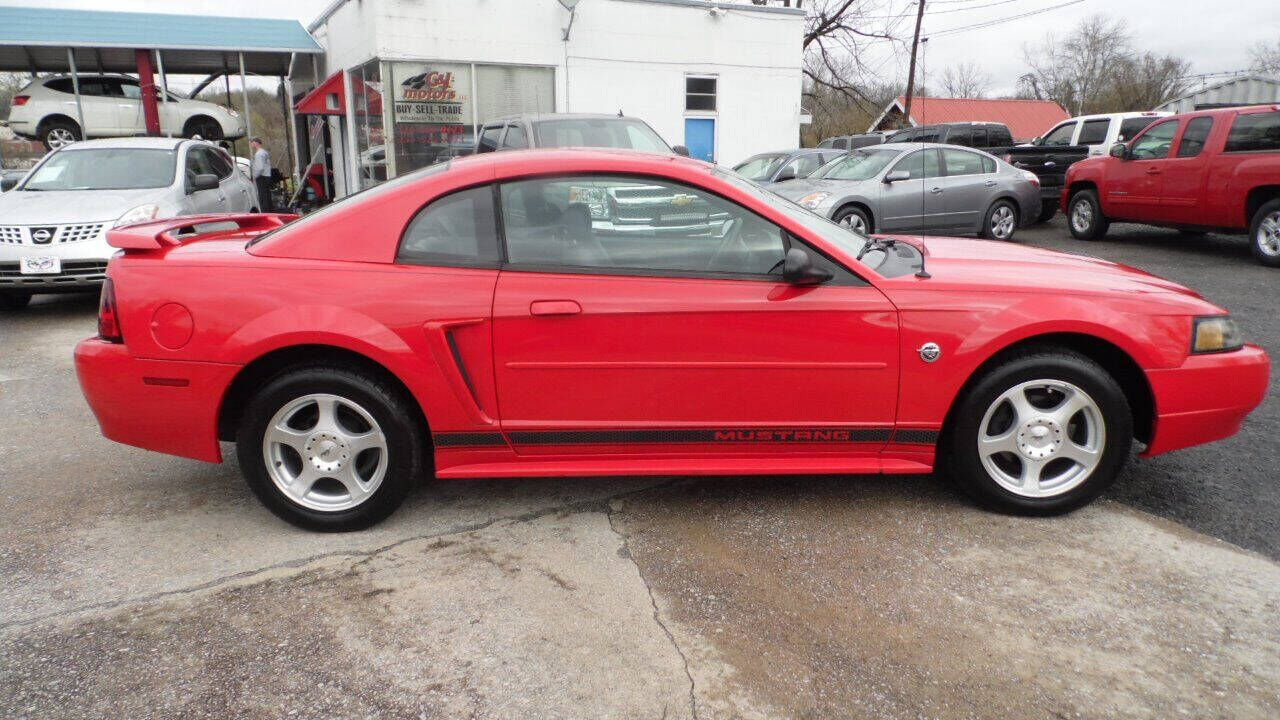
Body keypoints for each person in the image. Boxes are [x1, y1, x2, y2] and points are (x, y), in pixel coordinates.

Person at [250, 137, 273, 213]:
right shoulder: (264, 152)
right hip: (267, 176)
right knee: (267, 196)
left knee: (263, 197)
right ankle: (270, 211)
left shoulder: (259, 154)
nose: (251, 144)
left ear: (256, 143)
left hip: (261, 177)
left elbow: (260, 168)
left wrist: (254, 176)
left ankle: (265, 212)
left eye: (252, 142)